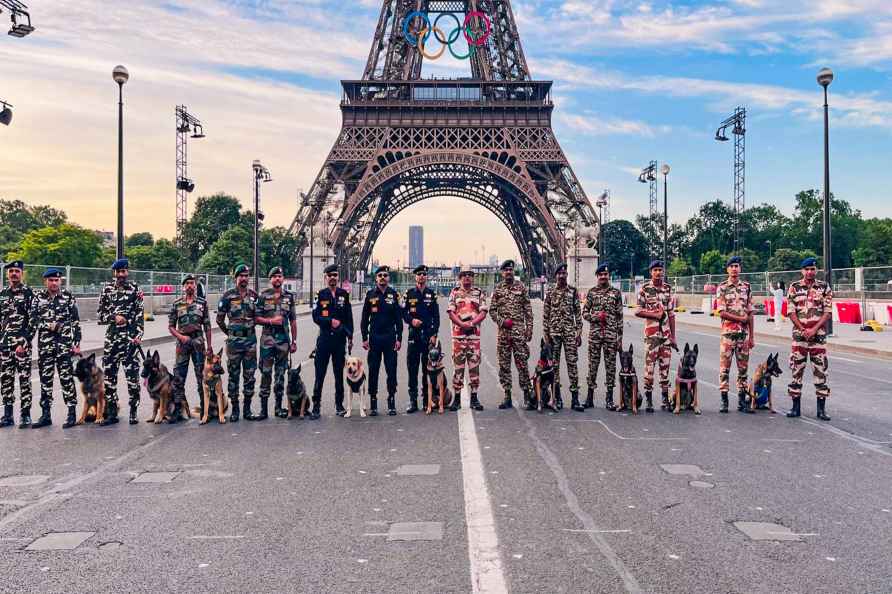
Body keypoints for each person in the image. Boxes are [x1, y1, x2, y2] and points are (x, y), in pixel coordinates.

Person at [31, 268, 82, 429]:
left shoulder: (67, 297)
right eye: (51, 280)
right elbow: (32, 321)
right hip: (45, 347)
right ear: (45, 281)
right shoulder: (38, 298)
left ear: (60, 281)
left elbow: (75, 321)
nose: (54, 283)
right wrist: (48, 325)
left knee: (66, 379)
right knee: (46, 381)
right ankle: (46, 415)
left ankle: (71, 413)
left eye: (56, 280)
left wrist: (77, 343)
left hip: (64, 346)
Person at [786, 257, 832, 421]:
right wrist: (802, 329)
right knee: (796, 371)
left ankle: (821, 410)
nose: (810, 272)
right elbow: (791, 312)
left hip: (817, 338)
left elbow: (827, 312)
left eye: (813, 269)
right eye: (807, 269)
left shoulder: (824, 287)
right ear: (802, 271)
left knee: (820, 372)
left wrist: (813, 329)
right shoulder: (794, 287)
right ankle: (795, 407)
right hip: (800, 337)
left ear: (816, 270)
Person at [168, 274, 212, 422]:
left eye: (192, 283)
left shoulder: (202, 303)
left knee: (202, 377)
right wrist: (180, 337)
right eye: (187, 283)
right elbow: (171, 327)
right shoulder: (177, 303)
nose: (189, 286)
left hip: (198, 341)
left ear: (195, 285)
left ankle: (205, 409)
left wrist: (210, 346)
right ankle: (178, 410)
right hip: (182, 343)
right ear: (183, 287)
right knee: (179, 377)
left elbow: (207, 326)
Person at [216, 263, 258, 422]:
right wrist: (230, 333)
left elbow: (259, 315)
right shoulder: (227, 296)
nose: (244, 278)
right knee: (233, 376)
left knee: (250, 376)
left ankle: (247, 409)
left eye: (247, 276)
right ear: (236, 278)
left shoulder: (254, 295)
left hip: (250, 342)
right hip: (234, 343)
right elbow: (219, 320)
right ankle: (235, 410)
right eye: (241, 276)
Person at [255, 266, 297, 420]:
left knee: (280, 375)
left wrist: (294, 341)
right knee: (266, 374)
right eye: (275, 276)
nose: (277, 279)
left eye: (280, 276)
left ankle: (278, 408)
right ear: (270, 279)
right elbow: (256, 318)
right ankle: (263, 410)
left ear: (283, 278)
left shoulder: (289, 297)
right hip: (267, 340)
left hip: (283, 341)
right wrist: (271, 321)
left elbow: (293, 321)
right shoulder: (263, 296)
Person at [490, 259, 533, 410]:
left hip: (519, 333)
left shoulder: (521, 287)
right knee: (504, 365)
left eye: (511, 270)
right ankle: (507, 395)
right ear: (502, 273)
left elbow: (528, 309)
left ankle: (527, 395)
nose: (508, 272)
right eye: (506, 270)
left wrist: (529, 329)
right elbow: (492, 311)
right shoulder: (498, 289)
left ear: (514, 271)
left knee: (522, 364)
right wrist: (502, 321)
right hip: (503, 334)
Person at [312, 264, 354, 417]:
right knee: (320, 374)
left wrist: (350, 335)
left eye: (335, 275)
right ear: (326, 278)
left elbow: (348, 317)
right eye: (330, 275)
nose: (333, 278)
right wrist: (330, 321)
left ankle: (339, 404)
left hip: (339, 340)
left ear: (338, 277)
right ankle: (316, 406)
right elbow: (316, 316)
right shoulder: (321, 294)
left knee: (338, 374)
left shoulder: (344, 294)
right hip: (324, 340)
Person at [360, 265, 403, 416]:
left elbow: (398, 318)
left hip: (390, 338)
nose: (383, 277)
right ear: (376, 278)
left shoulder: (394, 295)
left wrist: (400, 338)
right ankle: (373, 401)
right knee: (373, 371)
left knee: (391, 371)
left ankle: (391, 400)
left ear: (388, 278)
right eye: (380, 275)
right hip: (375, 338)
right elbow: (365, 318)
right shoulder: (370, 295)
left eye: (385, 275)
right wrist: (365, 338)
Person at [634, 260, 675, 413]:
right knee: (649, 369)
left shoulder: (667, 289)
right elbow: (637, 311)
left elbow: (671, 314)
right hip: (651, 336)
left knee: (665, 368)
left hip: (665, 336)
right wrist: (654, 315)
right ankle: (649, 400)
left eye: (660, 269)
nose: (658, 272)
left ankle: (665, 399)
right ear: (650, 272)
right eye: (655, 270)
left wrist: (673, 336)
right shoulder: (644, 289)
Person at [715, 256, 754, 413]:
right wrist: (740, 319)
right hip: (728, 335)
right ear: (727, 269)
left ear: (740, 268)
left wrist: (752, 336)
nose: (734, 269)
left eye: (737, 266)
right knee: (725, 369)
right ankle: (724, 400)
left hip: (743, 336)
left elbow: (750, 313)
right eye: (731, 266)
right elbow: (722, 312)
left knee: (743, 370)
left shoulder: (746, 287)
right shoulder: (723, 287)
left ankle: (741, 400)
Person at [583, 263, 624, 410]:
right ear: (597, 276)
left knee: (610, 367)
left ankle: (609, 399)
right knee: (592, 366)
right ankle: (589, 398)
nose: (603, 277)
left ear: (608, 276)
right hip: (595, 335)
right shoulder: (592, 292)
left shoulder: (616, 293)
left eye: (605, 274)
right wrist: (595, 316)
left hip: (611, 335)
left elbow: (620, 316)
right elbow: (584, 313)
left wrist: (620, 338)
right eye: (600, 275)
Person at [542, 262, 583, 411]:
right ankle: (557, 398)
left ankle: (575, 399)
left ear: (567, 275)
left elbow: (577, 313)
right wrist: (546, 335)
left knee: (572, 365)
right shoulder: (551, 292)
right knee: (555, 367)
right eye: (559, 274)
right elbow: (546, 314)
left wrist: (579, 332)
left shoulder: (573, 291)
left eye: (564, 273)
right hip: (554, 335)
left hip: (569, 334)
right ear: (556, 275)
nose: (562, 276)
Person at [0, 260, 35, 428]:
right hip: (4, 345)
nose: (14, 273)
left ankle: (25, 415)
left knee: (24, 380)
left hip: (22, 346)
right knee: (5, 380)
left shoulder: (29, 293)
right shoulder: (3, 294)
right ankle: (7, 416)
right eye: (11, 271)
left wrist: (25, 342)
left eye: (17, 271)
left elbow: (33, 321)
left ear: (22, 273)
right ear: (7, 274)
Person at [447, 267, 488, 411]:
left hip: (473, 337)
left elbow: (483, 312)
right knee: (458, 368)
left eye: (470, 275)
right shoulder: (454, 292)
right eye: (464, 275)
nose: (467, 278)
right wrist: (462, 324)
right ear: (460, 278)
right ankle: (457, 398)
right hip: (459, 336)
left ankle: (474, 398)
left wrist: (471, 323)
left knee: (474, 368)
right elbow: (451, 312)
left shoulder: (478, 293)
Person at [403, 264, 439, 413]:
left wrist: (434, 334)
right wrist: (411, 321)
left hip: (427, 337)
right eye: (419, 274)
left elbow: (436, 317)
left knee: (427, 370)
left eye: (424, 274)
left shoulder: (432, 294)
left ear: (427, 277)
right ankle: (413, 401)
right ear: (415, 277)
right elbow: (403, 313)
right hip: (414, 336)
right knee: (412, 369)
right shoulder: (409, 294)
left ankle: (426, 400)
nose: (422, 277)